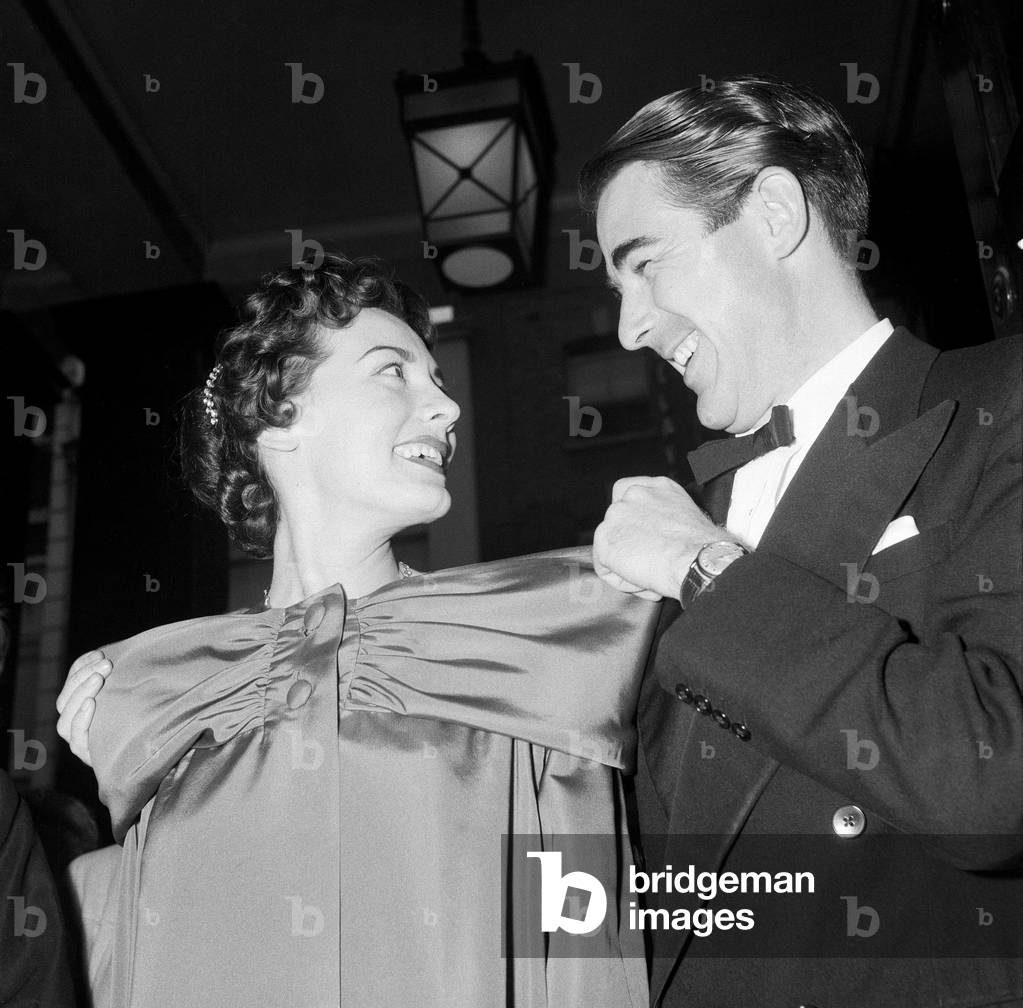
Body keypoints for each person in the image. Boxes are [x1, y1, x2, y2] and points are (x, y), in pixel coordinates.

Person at [55, 254, 658, 1008]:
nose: (446, 407)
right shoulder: (169, 693)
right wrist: (122, 727)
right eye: (393, 372)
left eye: (437, 379)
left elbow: (579, 936)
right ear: (278, 418)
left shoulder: (521, 645)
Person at [582, 76, 1023, 1007]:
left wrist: (707, 570)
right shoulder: (691, 506)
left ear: (775, 213)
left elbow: (989, 778)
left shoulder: (1001, 403)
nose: (629, 328)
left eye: (644, 263)